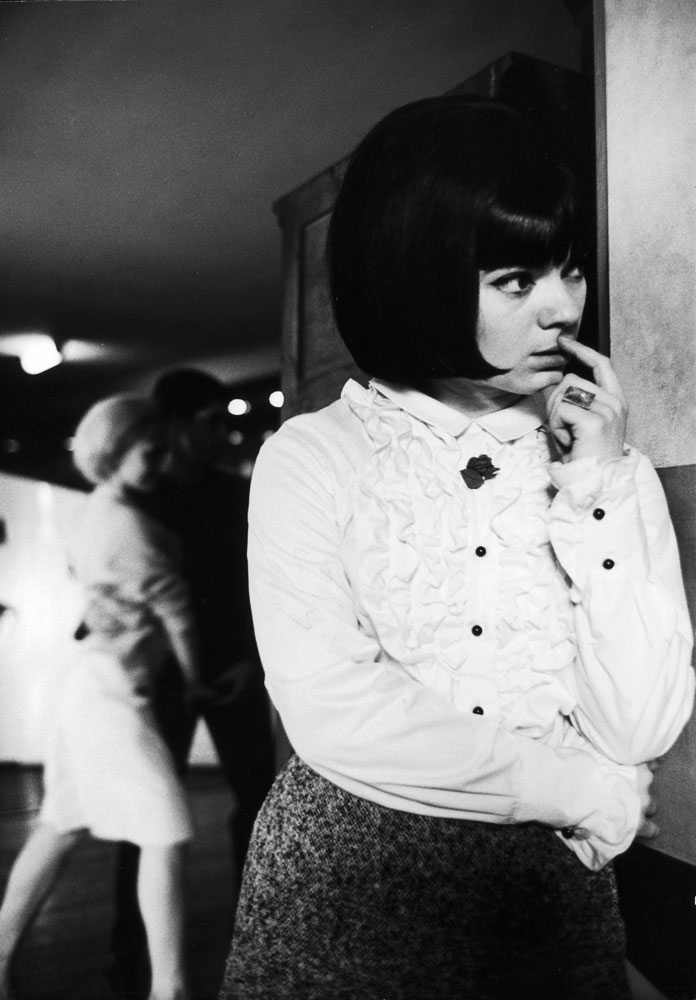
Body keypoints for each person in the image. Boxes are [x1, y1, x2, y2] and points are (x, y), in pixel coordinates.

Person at [220, 95, 695, 1000]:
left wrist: (595, 489)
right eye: (516, 281)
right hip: (357, 878)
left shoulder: (602, 464)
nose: (563, 308)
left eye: (572, 270)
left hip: (548, 886)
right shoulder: (316, 456)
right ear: (414, 274)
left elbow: (641, 722)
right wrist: (579, 793)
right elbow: (333, 709)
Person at [0, 395, 200, 1000]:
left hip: (92, 682)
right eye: (150, 449)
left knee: (60, 824)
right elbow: (180, 617)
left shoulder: (98, 512)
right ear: (114, 449)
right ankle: (171, 988)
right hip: (113, 693)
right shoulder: (130, 523)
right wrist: (199, 681)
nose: (160, 460)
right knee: (165, 832)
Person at [108, 370, 275, 993]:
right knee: (143, 813)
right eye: (210, 421)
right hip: (163, 682)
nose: (222, 432)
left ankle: (256, 941)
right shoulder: (137, 499)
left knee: (256, 802)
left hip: (230, 675)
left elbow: (254, 590)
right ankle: (129, 958)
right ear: (175, 425)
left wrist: (249, 664)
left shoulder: (233, 495)